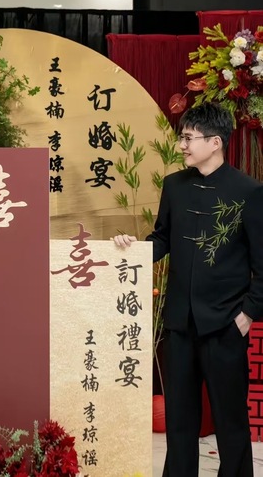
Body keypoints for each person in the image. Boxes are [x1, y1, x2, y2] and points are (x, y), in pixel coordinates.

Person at [113, 102, 263, 477]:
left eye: (189, 138)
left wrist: (247, 315)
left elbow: (262, 263)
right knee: (179, 422)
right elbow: (162, 239)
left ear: (215, 142)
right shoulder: (174, 186)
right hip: (178, 323)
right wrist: (132, 249)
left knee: (230, 422)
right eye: (182, 137)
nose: (182, 145)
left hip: (226, 324)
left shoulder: (248, 191)